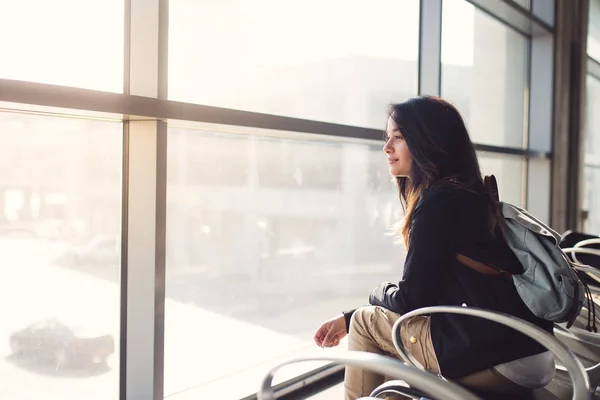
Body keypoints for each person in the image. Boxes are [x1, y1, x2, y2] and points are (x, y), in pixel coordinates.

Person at [313, 96, 556, 400]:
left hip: (498, 359)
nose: (387, 147)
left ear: (429, 141)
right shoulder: (472, 192)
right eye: (387, 137)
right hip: (533, 351)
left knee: (366, 321)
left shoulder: (439, 203)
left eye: (398, 137)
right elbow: (433, 295)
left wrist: (367, 301)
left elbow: (411, 301)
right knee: (388, 338)